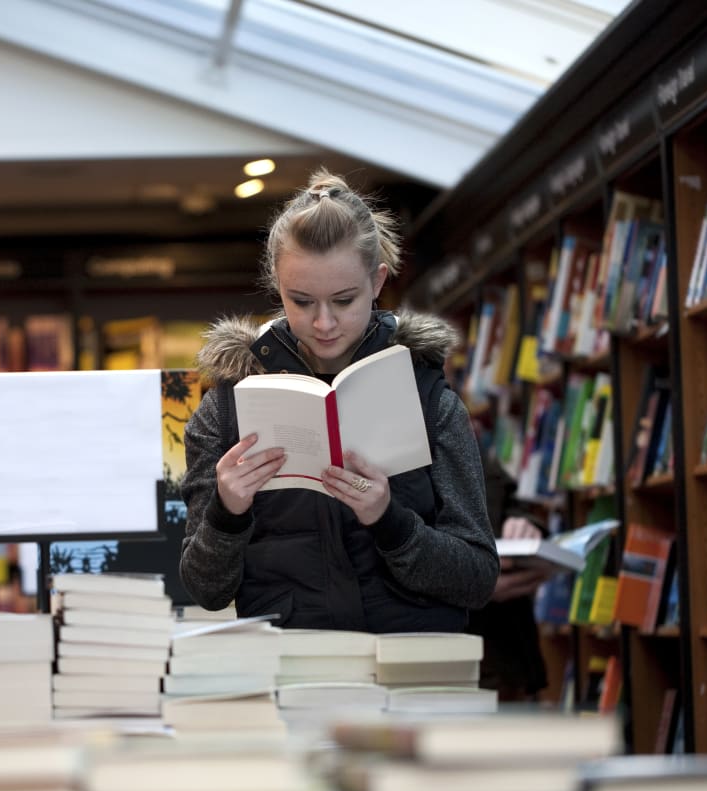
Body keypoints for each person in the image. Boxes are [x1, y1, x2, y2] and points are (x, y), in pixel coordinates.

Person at [178, 169, 498, 632]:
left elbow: (478, 580)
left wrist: (390, 521)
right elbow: (206, 591)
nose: (324, 323)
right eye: (301, 300)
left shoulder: (427, 397)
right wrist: (227, 512)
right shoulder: (228, 405)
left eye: (344, 300)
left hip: (412, 669)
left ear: (378, 281)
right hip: (297, 667)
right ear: (277, 287)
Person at [469, 445, 554, 700]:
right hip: (441, 665)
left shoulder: (462, 445)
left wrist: (524, 525)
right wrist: (469, 585)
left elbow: (508, 500)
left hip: (506, 657)